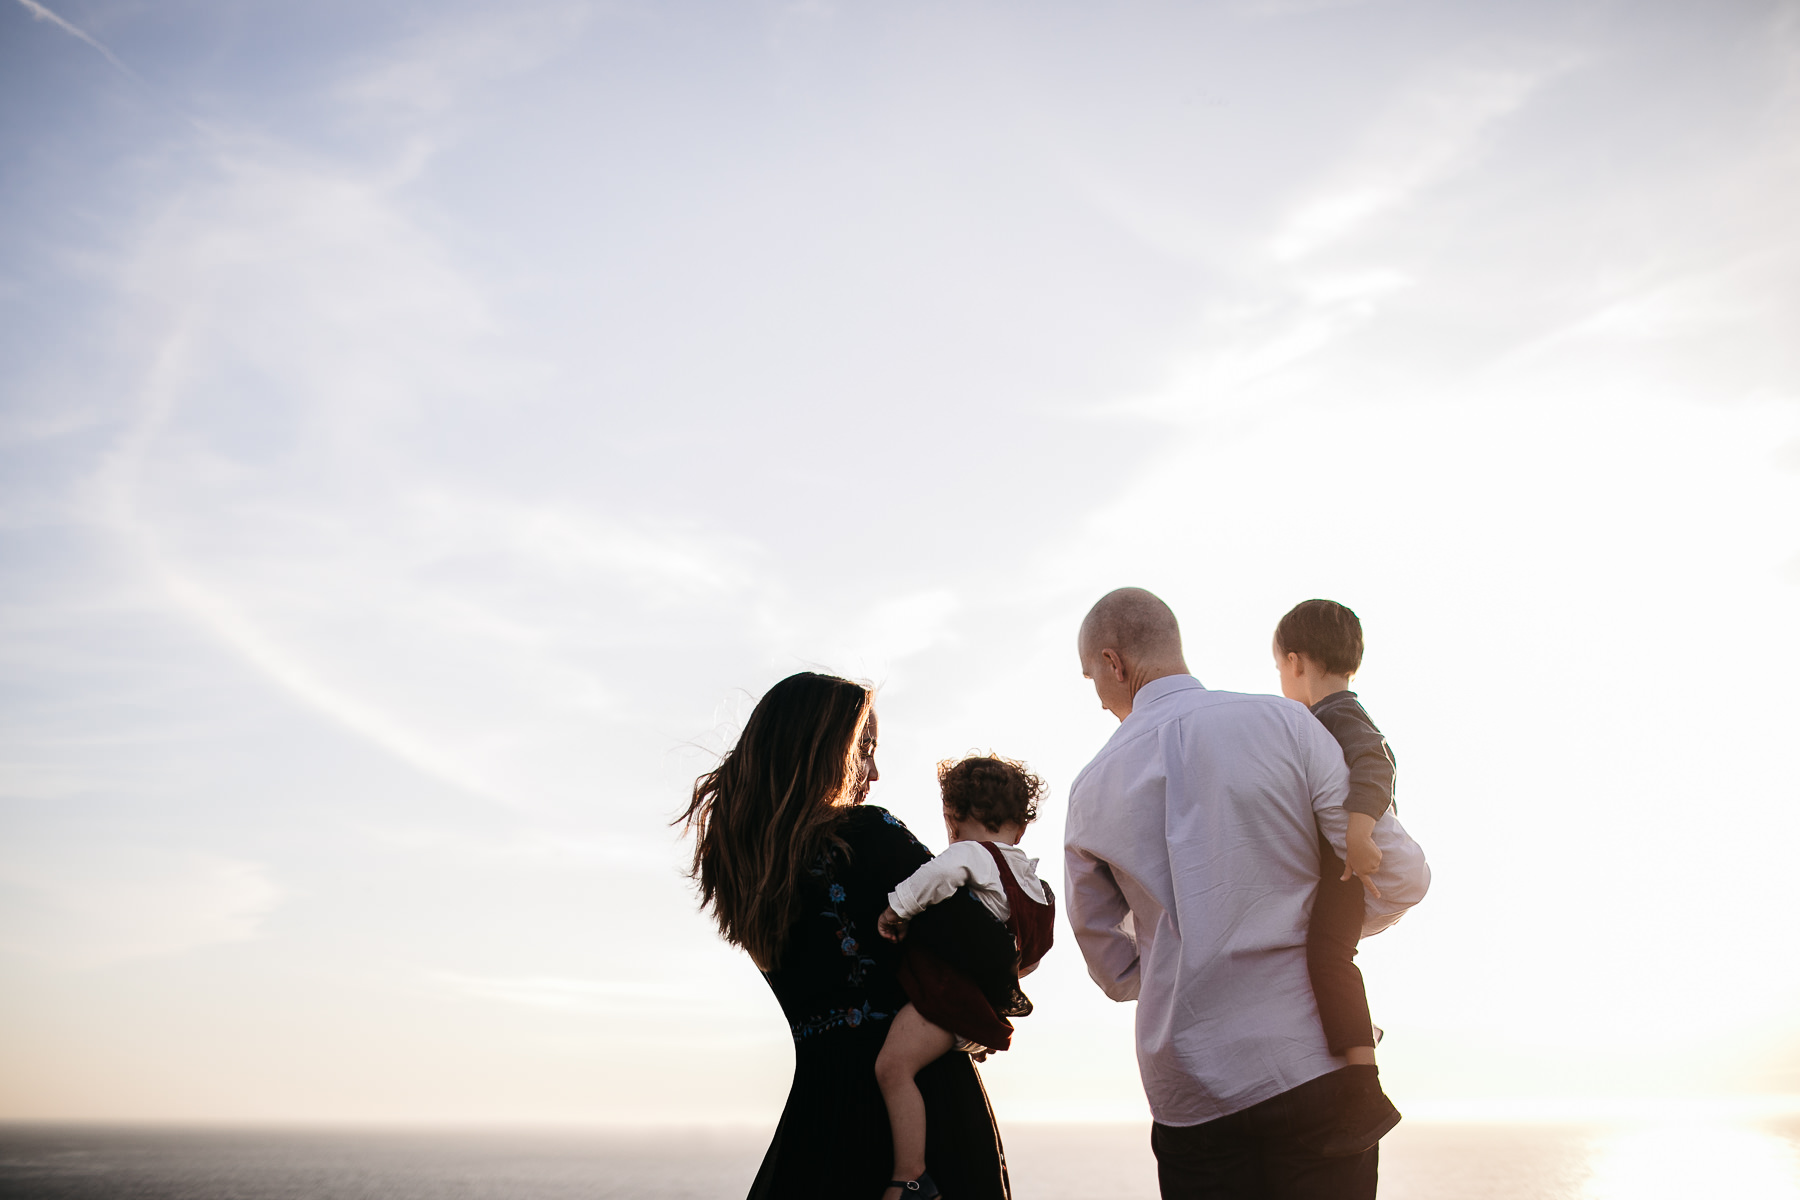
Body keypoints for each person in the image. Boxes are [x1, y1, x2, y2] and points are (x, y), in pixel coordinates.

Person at [1063, 589, 1429, 1200]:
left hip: (1190, 1092)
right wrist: (1313, 926)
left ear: (1113, 663)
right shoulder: (1287, 724)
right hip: (1311, 1058)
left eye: (1091, 678)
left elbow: (1114, 968)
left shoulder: (1089, 790)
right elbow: (1401, 877)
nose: (1098, 696)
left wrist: (1176, 946)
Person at [679, 672, 1013, 1199]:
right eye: (866, 749)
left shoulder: (746, 873)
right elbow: (994, 955)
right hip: (925, 1121)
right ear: (820, 752)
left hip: (814, 1133)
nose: (875, 772)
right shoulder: (868, 836)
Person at [873, 754, 1057, 1200]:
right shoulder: (1037, 887)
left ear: (952, 817)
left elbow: (937, 874)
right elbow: (1028, 962)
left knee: (892, 1068)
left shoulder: (972, 855)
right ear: (1023, 826)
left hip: (946, 1003)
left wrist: (896, 910)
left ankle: (910, 1176)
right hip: (981, 1014)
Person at [1274, 598, 1404, 1155]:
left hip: (1346, 868)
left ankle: (1363, 1085)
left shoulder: (1337, 715)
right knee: (1328, 959)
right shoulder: (1330, 715)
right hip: (1339, 867)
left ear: (1297, 663)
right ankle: (1357, 1068)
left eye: (1279, 667)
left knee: (1328, 960)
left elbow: (1376, 762)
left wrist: (1357, 830)